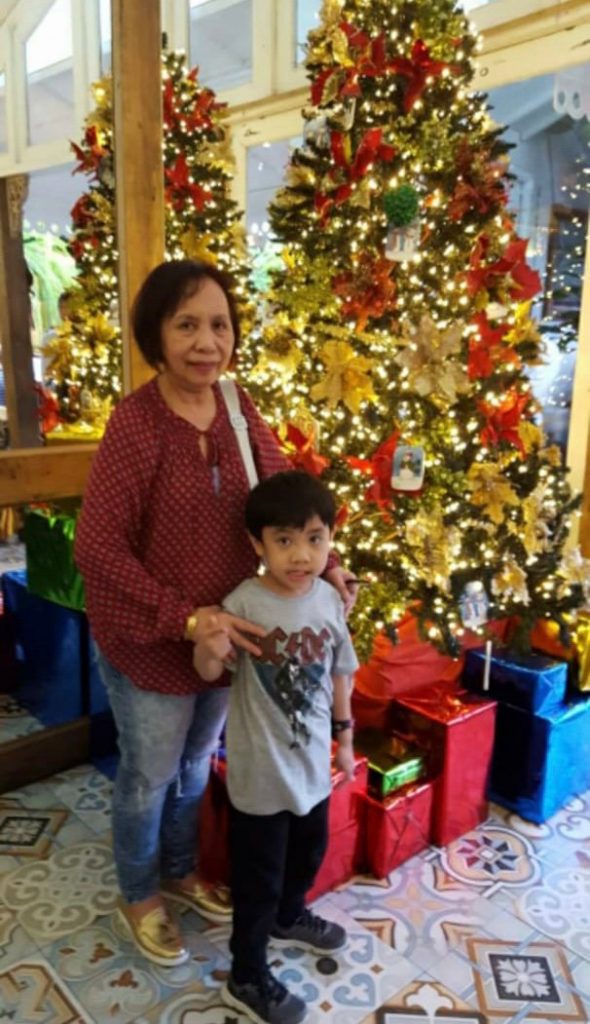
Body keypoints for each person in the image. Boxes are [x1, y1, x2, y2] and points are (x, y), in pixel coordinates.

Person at [74, 260, 357, 970]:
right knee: (149, 773)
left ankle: (179, 869)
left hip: (227, 636)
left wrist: (327, 560)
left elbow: (286, 498)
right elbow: (97, 547)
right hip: (148, 637)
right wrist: (182, 617)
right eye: (187, 325)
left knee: (198, 763)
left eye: (220, 324)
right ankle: (139, 891)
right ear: (156, 335)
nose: (207, 342)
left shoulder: (237, 406)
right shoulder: (135, 423)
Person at [194, 470, 358, 1024]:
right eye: (283, 540)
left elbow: (341, 670)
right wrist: (210, 645)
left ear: (331, 539)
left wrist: (344, 739)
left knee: (307, 854)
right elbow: (210, 667)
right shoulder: (244, 602)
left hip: (312, 767)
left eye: (314, 538)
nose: (300, 555)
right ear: (256, 544)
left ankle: (292, 915)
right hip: (261, 775)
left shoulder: (329, 600)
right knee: (257, 881)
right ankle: (246, 974)